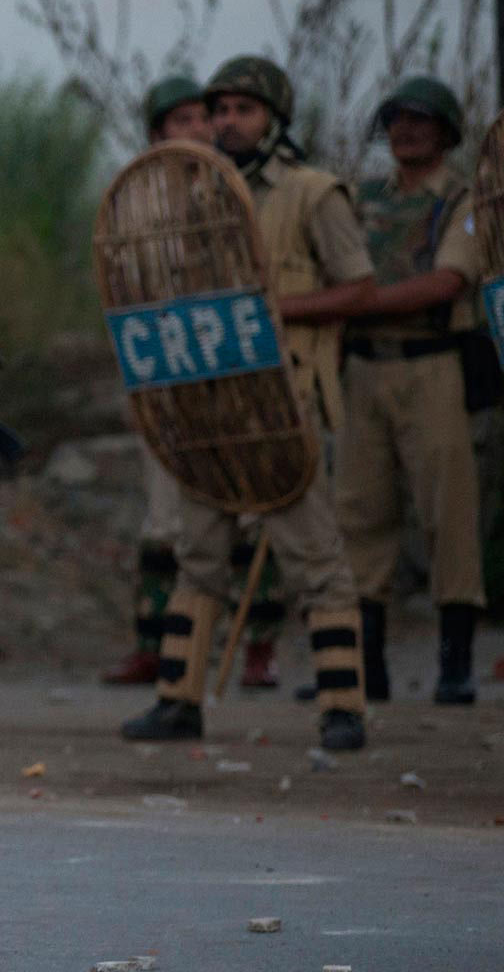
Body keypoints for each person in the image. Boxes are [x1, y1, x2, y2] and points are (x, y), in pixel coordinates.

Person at [120, 56, 372, 750]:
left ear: (275, 118)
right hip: (212, 407)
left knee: (313, 555)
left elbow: (359, 288)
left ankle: (343, 707)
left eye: (243, 110)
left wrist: (273, 311)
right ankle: (179, 701)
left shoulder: (314, 194)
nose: (228, 122)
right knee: (198, 554)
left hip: (285, 404)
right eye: (219, 110)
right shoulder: (200, 199)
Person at [283, 76, 485, 705]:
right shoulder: (363, 199)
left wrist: (356, 303)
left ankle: (456, 667)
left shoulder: (463, 202)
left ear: (445, 130)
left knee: (447, 513)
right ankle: (362, 665)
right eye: (397, 120)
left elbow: (447, 280)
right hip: (364, 368)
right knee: (357, 516)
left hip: (430, 364)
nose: (406, 131)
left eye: (421, 120)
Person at [103, 77, 290, 691]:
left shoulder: (236, 191)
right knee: (166, 520)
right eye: (181, 120)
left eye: (201, 119)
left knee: (253, 511)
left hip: (235, 370)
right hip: (170, 378)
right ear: (159, 132)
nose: (199, 130)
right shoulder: (136, 205)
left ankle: (259, 647)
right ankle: (157, 647)